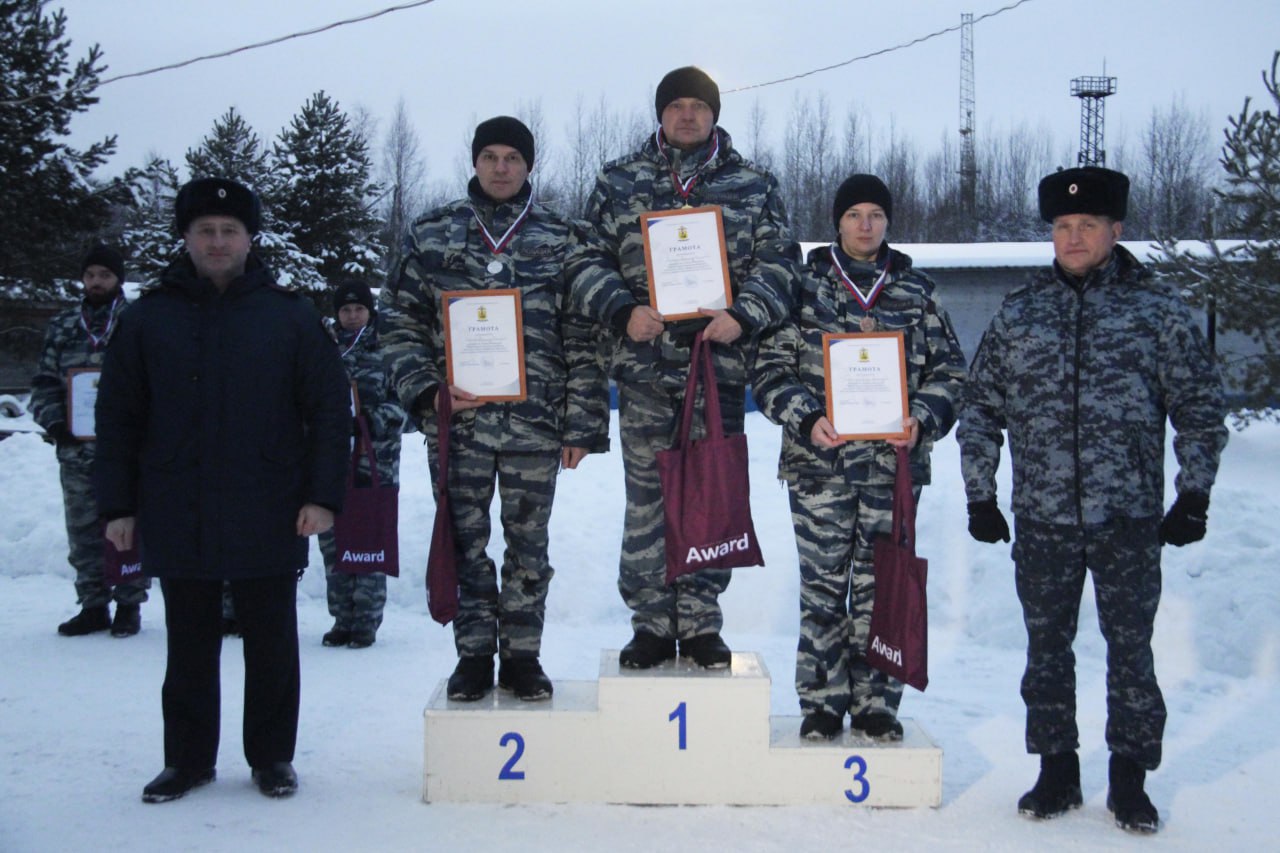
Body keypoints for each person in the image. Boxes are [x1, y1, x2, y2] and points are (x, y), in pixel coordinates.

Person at [957, 166, 1228, 834]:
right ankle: (1056, 768)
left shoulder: (1155, 310)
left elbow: (1199, 405)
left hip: (1127, 517)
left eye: (1087, 225)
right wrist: (980, 494)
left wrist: (1194, 491)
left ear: (1116, 229)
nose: (1073, 237)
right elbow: (981, 404)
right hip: (1043, 515)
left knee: (1131, 649)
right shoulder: (1023, 310)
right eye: (1062, 226)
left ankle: (1130, 776)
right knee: (1046, 646)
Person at [94, 178, 351, 803]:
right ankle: (186, 760)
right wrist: (118, 505)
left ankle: (270, 758)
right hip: (178, 499)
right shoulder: (149, 317)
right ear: (185, 237)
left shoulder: (288, 316)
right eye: (205, 230)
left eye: (228, 230)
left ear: (248, 238)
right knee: (188, 640)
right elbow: (119, 415)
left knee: (271, 641)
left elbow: (328, 410)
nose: (217, 241)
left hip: (269, 502)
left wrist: (323, 497)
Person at [379, 116, 615, 702]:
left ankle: (522, 657)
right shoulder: (433, 233)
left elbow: (583, 337)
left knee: (528, 546)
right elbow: (400, 320)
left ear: (530, 165)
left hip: (536, 424)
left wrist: (582, 424)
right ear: (475, 161)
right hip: (458, 424)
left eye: (513, 157)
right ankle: (473, 654)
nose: (502, 167)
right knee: (465, 542)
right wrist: (426, 390)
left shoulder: (563, 236)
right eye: (491, 156)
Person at [579, 65, 798, 670]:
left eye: (699, 106)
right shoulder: (619, 180)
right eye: (676, 105)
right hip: (647, 369)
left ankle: (700, 621)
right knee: (647, 500)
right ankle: (650, 622)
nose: (687, 116)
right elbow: (585, 259)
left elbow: (782, 263)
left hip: (717, 368)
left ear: (715, 114)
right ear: (660, 114)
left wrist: (744, 314)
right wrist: (622, 309)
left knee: (709, 490)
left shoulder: (753, 184)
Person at [751, 175, 966, 740]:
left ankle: (876, 703)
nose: (865, 225)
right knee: (823, 587)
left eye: (875, 214)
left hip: (891, 470)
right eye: (854, 215)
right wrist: (806, 417)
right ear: (837, 222)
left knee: (881, 587)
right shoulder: (802, 288)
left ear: (888, 222)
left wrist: (921, 417)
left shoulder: (918, 291)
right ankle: (821, 702)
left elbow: (951, 373)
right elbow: (768, 370)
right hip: (819, 467)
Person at [29, 244, 151, 637]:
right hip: (77, 451)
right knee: (83, 529)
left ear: (119, 279)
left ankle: (129, 604)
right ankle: (92, 604)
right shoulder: (65, 325)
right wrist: (55, 424)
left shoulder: (135, 322)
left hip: (128, 450)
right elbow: (44, 384)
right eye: (91, 275)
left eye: (105, 275)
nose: (97, 282)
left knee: (129, 525)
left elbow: (155, 384)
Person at [318, 278, 404, 649]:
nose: (352, 316)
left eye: (359, 309)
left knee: (366, 538)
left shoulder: (387, 346)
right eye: (345, 310)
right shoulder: (322, 348)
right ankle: (341, 619)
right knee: (333, 540)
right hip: (330, 459)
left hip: (375, 458)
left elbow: (404, 403)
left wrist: (369, 420)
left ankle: (366, 621)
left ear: (369, 311)